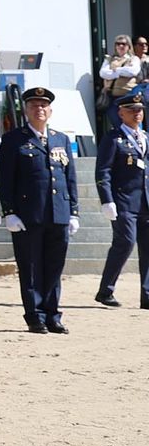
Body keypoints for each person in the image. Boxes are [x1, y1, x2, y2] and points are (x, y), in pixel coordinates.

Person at [0, 86, 78, 334]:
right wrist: (8, 211)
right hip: (28, 214)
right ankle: (35, 315)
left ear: (50, 110)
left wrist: (74, 210)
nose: (39, 109)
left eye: (43, 105)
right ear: (26, 110)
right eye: (33, 105)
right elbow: (5, 178)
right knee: (31, 267)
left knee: (54, 267)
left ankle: (53, 314)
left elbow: (70, 177)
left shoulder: (60, 138)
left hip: (58, 212)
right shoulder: (13, 140)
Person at [95, 91, 149, 309]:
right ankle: (106, 290)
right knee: (125, 242)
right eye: (131, 110)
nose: (136, 114)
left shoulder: (145, 138)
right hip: (124, 201)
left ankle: (147, 294)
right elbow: (103, 170)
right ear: (121, 113)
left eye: (139, 110)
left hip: (145, 200)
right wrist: (107, 200)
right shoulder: (113, 138)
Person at [98, 35, 141, 116]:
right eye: (118, 44)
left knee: (131, 119)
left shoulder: (134, 59)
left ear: (129, 46)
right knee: (115, 118)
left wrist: (116, 70)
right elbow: (103, 73)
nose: (120, 46)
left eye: (123, 44)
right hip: (112, 96)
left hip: (128, 95)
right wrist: (121, 72)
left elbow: (132, 71)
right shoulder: (110, 59)